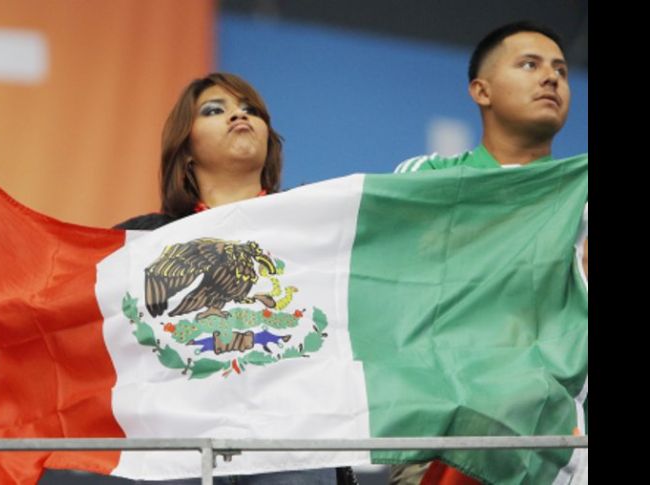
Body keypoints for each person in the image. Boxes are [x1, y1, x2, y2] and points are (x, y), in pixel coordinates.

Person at [115, 72, 354, 485]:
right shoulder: (140, 241)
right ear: (186, 151)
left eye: (249, 110)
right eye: (214, 110)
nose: (237, 116)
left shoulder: (319, 223)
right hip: (178, 450)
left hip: (292, 450)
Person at [390, 21, 587, 485]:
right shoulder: (424, 178)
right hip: (438, 434)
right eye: (529, 64)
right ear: (481, 90)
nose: (550, 78)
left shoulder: (582, 199)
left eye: (560, 69)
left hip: (555, 444)